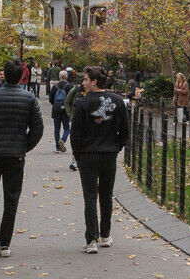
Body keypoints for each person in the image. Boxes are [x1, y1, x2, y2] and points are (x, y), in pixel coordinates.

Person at [0, 60, 44, 259]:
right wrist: (25, 146)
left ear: (4, 73)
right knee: (11, 198)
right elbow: (38, 128)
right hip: (16, 155)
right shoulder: (29, 99)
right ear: (22, 76)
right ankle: (5, 243)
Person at [70, 65, 130, 255]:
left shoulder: (82, 103)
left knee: (90, 197)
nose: (83, 83)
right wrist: (117, 147)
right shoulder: (118, 101)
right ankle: (105, 235)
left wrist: (77, 154)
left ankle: (91, 240)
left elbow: (75, 133)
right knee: (106, 195)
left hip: (88, 155)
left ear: (94, 81)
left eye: (86, 79)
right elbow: (125, 129)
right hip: (109, 154)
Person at [49, 71, 73, 152]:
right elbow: (72, 100)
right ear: (66, 77)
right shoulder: (70, 86)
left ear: (59, 77)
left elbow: (51, 99)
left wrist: (55, 105)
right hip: (65, 110)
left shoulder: (55, 86)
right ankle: (63, 140)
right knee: (67, 128)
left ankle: (57, 147)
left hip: (56, 110)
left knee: (57, 128)